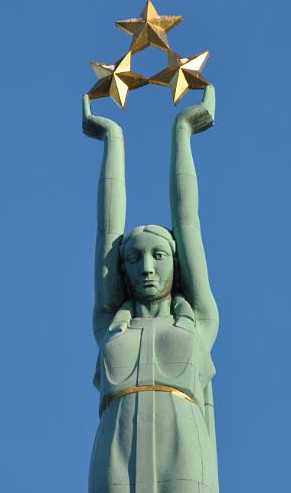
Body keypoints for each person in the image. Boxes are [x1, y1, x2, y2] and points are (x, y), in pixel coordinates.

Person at [83, 86, 220, 493]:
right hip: (116, 445)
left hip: (183, 444)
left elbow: (188, 220)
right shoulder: (111, 323)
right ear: (121, 267)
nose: (146, 267)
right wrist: (113, 139)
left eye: (159, 256)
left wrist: (182, 131)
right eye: (134, 258)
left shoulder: (198, 319)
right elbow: (107, 230)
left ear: (175, 263)